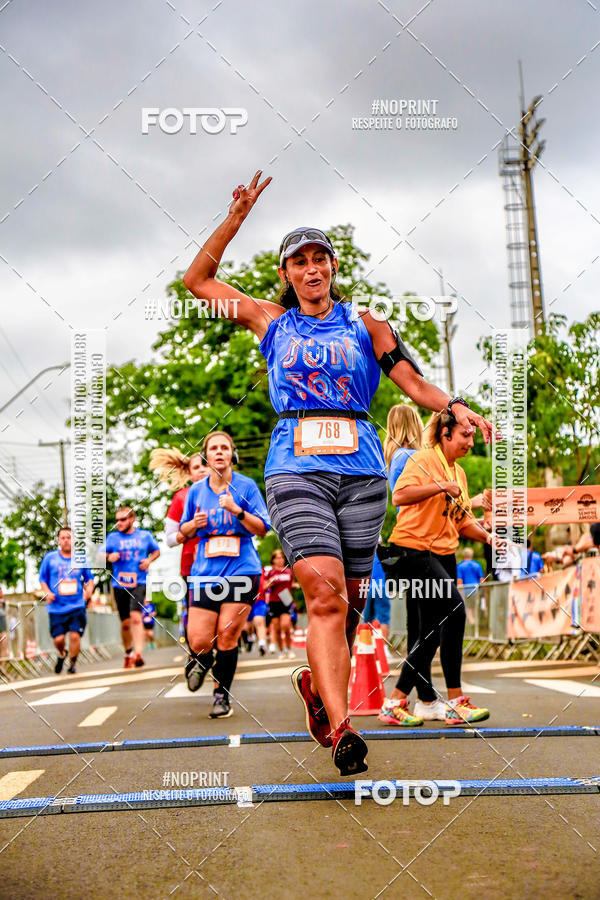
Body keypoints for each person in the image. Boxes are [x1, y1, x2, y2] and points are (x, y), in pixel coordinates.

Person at [181, 170, 494, 773]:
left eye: (319, 257)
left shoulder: (368, 325)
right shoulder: (269, 322)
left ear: (333, 267)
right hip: (295, 468)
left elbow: (413, 381)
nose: (310, 268)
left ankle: (321, 700)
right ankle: (344, 726)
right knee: (323, 593)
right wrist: (236, 217)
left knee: (349, 602)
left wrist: (454, 405)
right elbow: (197, 281)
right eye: (297, 261)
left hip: (361, 471)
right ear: (286, 275)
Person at [383, 410, 496, 727]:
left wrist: (489, 536)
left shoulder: (458, 472)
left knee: (429, 634)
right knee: (455, 612)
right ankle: (456, 701)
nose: (470, 441)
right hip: (413, 549)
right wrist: (439, 485)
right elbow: (399, 496)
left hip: (443, 550)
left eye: (472, 436)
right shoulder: (421, 460)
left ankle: (396, 701)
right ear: (445, 434)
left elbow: (460, 521)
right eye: (465, 435)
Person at [179, 431, 270, 718]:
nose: (219, 452)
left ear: (232, 454)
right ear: (206, 456)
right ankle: (203, 661)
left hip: (242, 569)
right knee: (198, 641)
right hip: (205, 573)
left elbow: (263, 528)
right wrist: (193, 524)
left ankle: (221, 695)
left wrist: (237, 511)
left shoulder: (246, 486)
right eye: (213, 448)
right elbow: (181, 533)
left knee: (228, 635)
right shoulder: (196, 491)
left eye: (224, 448)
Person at [149, 448, 208, 647]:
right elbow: (170, 539)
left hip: (226, 562)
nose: (202, 470)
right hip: (193, 565)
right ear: (189, 474)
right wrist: (189, 529)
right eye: (196, 467)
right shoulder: (182, 497)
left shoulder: (228, 490)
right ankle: (196, 653)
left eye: (205, 465)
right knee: (196, 611)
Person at [101, 507, 160, 669]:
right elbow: (98, 554)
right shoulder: (112, 538)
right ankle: (128, 652)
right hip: (119, 584)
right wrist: (108, 557)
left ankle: (138, 654)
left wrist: (148, 561)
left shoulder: (145, 536)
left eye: (123, 520)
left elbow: (156, 551)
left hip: (139, 582)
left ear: (132, 519)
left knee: (136, 617)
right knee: (126, 623)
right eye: (117, 520)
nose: (119, 523)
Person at [38, 527, 94, 674]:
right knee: (58, 639)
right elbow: (42, 579)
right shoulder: (50, 558)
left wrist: (89, 591)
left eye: (69, 537)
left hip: (76, 605)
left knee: (75, 635)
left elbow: (90, 579)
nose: (66, 540)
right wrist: (47, 592)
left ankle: (72, 663)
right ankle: (62, 654)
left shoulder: (81, 558)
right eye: (63, 538)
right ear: (58, 540)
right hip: (56, 607)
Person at [265, 549, 297, 659]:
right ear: (273, 560)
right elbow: (264, 587)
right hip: (274, 601)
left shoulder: (288, 571)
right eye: (277, 558)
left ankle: (289, 649)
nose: (280, 560)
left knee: (286, 625)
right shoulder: (271, 572)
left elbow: (290, 584)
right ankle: (281, 651)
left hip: (286, 599)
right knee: (277, 629)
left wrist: (295, 586)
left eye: (282, 557)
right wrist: (270, 582)